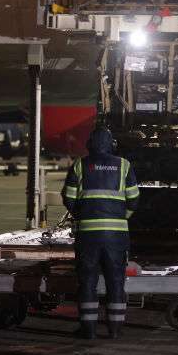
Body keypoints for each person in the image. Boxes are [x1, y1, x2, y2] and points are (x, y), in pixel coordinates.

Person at [62, 126, 139, 340]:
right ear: (112, 144)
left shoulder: (80, 165)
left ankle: (88, 330)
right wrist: (124, 217)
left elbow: (68, 198)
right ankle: (115, 330)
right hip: (116, 236)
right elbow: (134, 198)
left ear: (89, 145)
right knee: (116, 281)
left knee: (87, 282)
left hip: (88, 235)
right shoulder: (124, 165)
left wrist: (81, 215)